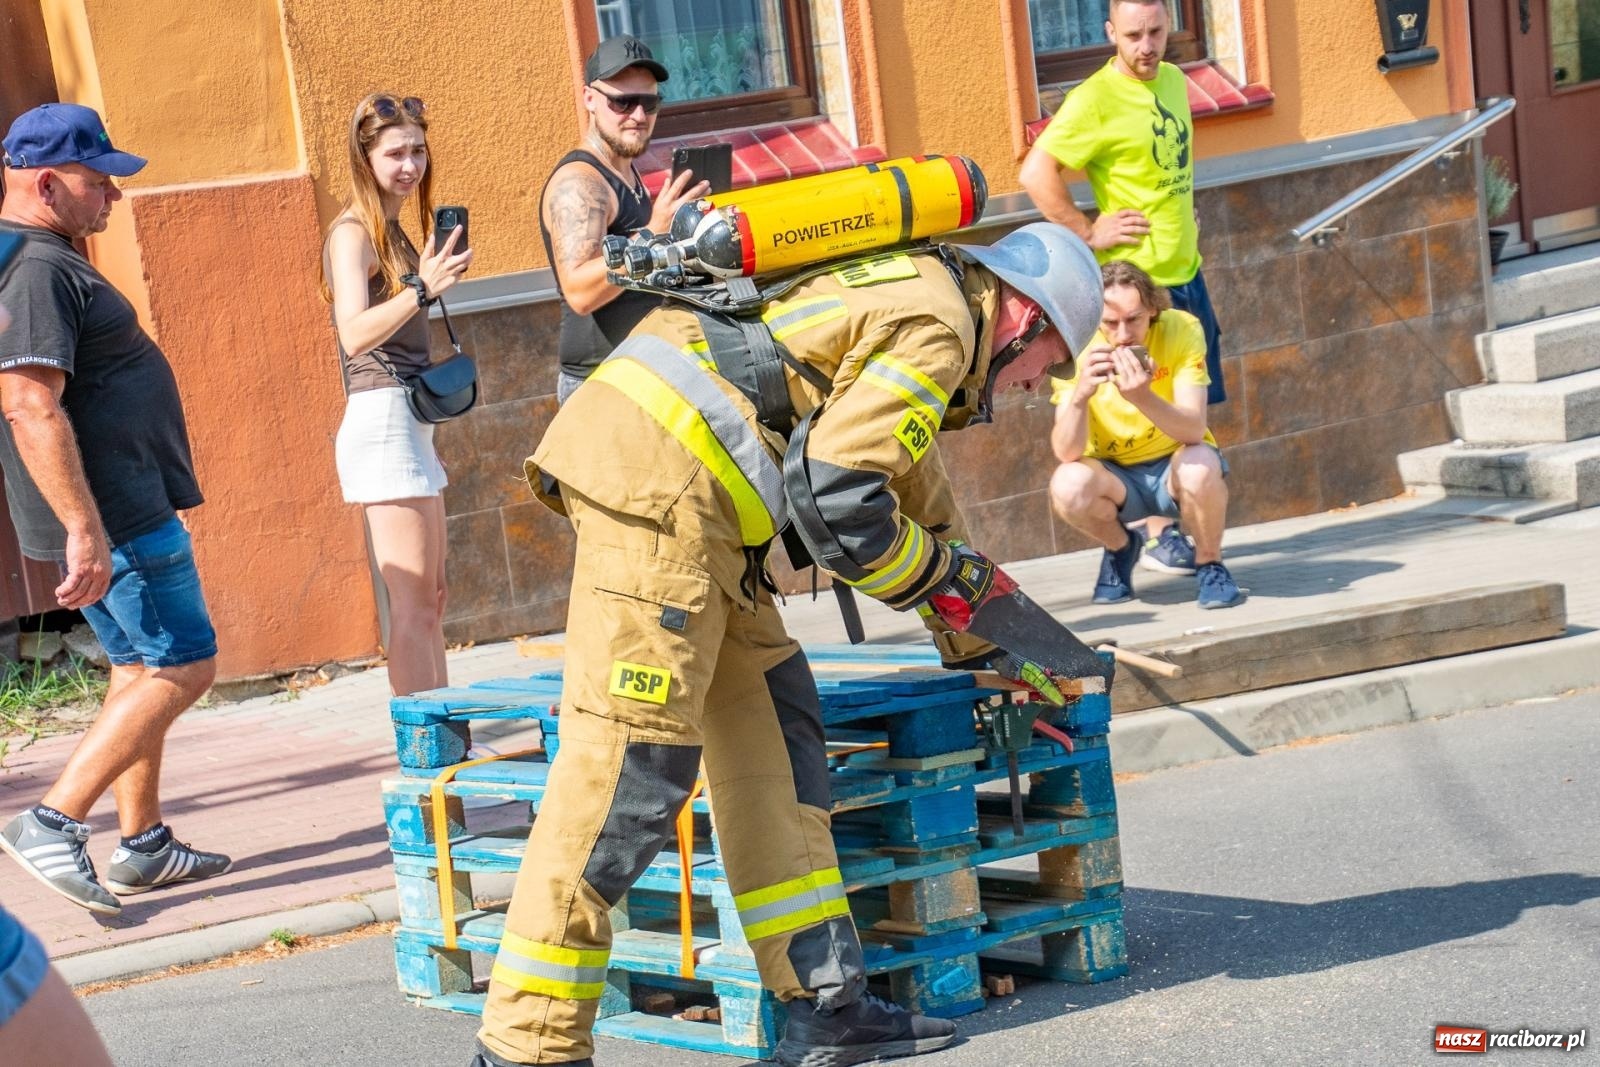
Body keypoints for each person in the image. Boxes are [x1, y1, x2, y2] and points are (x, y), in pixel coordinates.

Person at [469, 223, 1105, 1067]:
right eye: (1050, 364)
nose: (1034, 387)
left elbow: (914, 489)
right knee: (629, 771)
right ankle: (529, 1043)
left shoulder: (925, 294)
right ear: (1028, 316)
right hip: (661, 493)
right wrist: (948, 586)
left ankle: (825, 1003)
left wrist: (991, 644)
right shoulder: (944, 323)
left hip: (698, 509)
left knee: (776, 732)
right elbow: (845, 502)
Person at [0, 103, 229, 915]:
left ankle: (145, 844)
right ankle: (53, 820)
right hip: (117, 513)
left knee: (138, 667)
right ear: (47, 184)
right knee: (185, 664)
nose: (114, 195)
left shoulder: (39, 258)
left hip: (115, 508)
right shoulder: (36, 269)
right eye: (99, 181)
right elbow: (29, 404)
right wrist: (84, 528)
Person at [1018, 0, 1225, 577]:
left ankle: (1184, 526)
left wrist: (1185, 220)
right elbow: (1035, 172)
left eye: (1156, 31)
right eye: (1133, 35)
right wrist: (1087, 231)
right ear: (1110, 32)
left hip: (1186, 273)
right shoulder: (1094, 99)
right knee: (1139, 397)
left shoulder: (1174, 80)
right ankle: (1159, 535)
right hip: (1137, 290)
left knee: (1191, 406)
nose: (1147, 45)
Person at [322, 92, 472, 697]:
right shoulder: (352, 233)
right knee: (412, 605)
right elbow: (354, 333)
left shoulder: (391, 228)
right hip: (382, 418)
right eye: (395, 154)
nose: (410, 165)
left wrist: (426, 282)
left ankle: (446, 731)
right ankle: (422, 740)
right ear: (365, 159)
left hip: (408, 418)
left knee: (432, 597)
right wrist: (421, 288)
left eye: (418, 151)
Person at [1048, 260, 1242, 609]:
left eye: (1134, 319)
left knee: (1201, 464)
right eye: (1110, 323)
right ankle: (1121, 548)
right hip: (1114, 477)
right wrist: (1080, 396)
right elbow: (1066, 453)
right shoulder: (1076, 345)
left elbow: (1194, 429)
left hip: (1174, 465)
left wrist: (1142, 397)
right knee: (1067, 484)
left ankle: (1210, 564)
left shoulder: (1180, 328)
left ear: (1153, 308)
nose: (1123, 334)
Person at [539, 34, 710, 404]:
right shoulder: (580, 183)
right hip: (599, 383)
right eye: (621, 102)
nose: (638, 116)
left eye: (649, 103)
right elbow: (579, 292)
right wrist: (651, 233)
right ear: (589, 99)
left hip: (641, 369)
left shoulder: (626, 173)